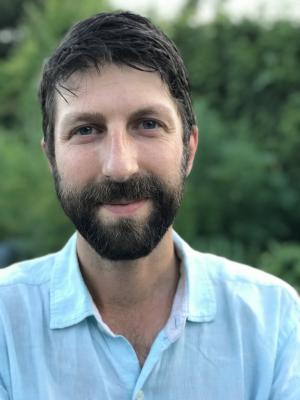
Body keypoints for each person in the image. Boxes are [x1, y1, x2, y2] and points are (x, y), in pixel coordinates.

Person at [0, 11, 299, 400]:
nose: (121, 167)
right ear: (52, 158)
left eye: (148, 124)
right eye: (86, 130)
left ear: (188, 150)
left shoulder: (274, 322)